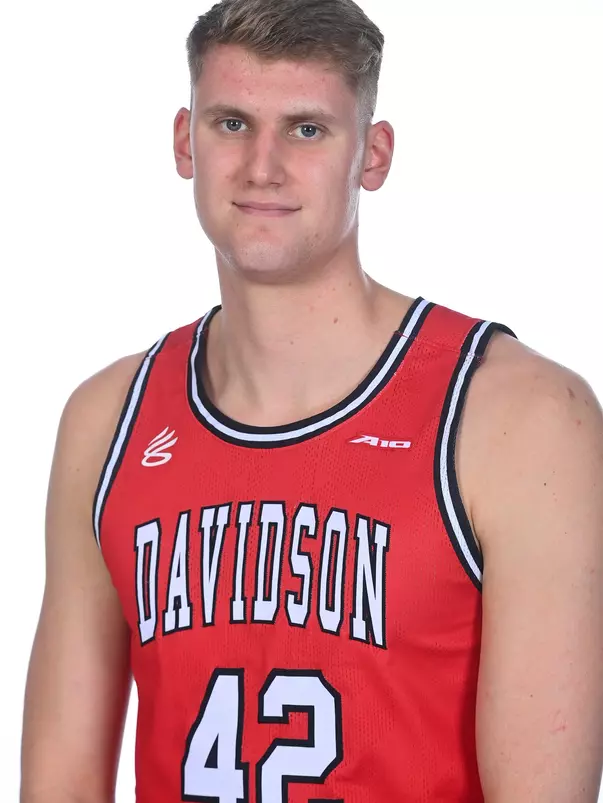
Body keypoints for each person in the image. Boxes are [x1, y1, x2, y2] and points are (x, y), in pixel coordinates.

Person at [20, 0, 603, 801]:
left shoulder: (521, 418)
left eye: (305, 129)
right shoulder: (107, 419)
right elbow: (59, 783)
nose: (262, 166)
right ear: (184, 141)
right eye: (231, 124)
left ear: (373, 154)